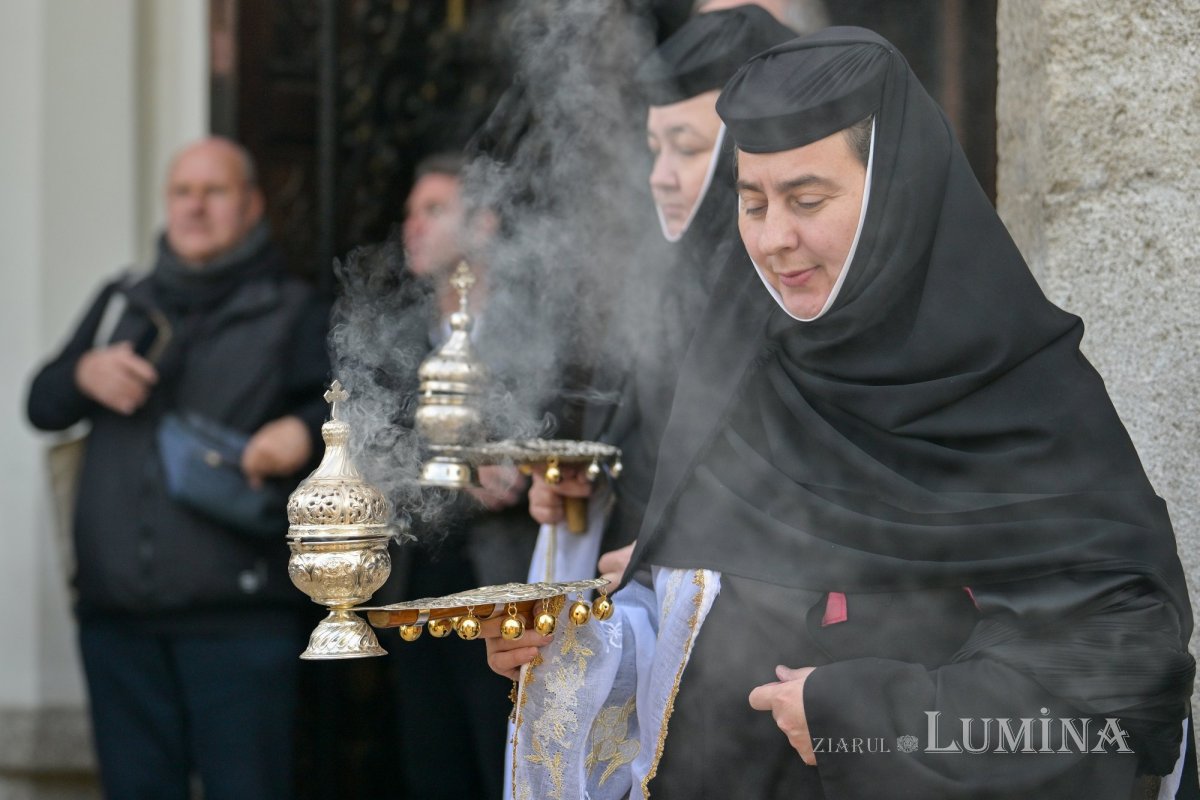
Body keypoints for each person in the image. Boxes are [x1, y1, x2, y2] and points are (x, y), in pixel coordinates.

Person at [487, 27, 1196, 799]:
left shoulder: (1021, 399)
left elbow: (1115, 691)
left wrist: (862, 717)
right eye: (752, 203)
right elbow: (694, 628)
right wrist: (576, 648)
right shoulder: (735, 374)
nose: (773, 239)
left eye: (807, 198)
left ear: (896, 189)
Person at [26, 137, 331, 799]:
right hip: (117, 625)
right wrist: (83, 372)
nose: (194, 208)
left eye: (214, 192)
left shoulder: (293, 311)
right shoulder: (120, 301)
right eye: (182, 193)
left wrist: (304, 432)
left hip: (241, 624)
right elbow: (41, 404)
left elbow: (358, 414)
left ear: (251, 206)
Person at [524, 4, 798, 589]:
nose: (660, 175)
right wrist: (586, 484)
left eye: (688, 147)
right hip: (634, 613)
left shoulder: (796, 296)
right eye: (655, 147)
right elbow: (641, 451)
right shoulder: (652, 279)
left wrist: (672, 554)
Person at [361, 151, 536, 800]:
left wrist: (523, 465)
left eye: (434, 210)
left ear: (484, 224)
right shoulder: (401, 335)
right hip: (419, 585)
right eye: (410, 212)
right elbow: (367, 448)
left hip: (508, 585)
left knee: (508, 765)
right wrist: (451, 469)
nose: (413, 226)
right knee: (433, 769)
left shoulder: (541, 325)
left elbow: (581, 422)